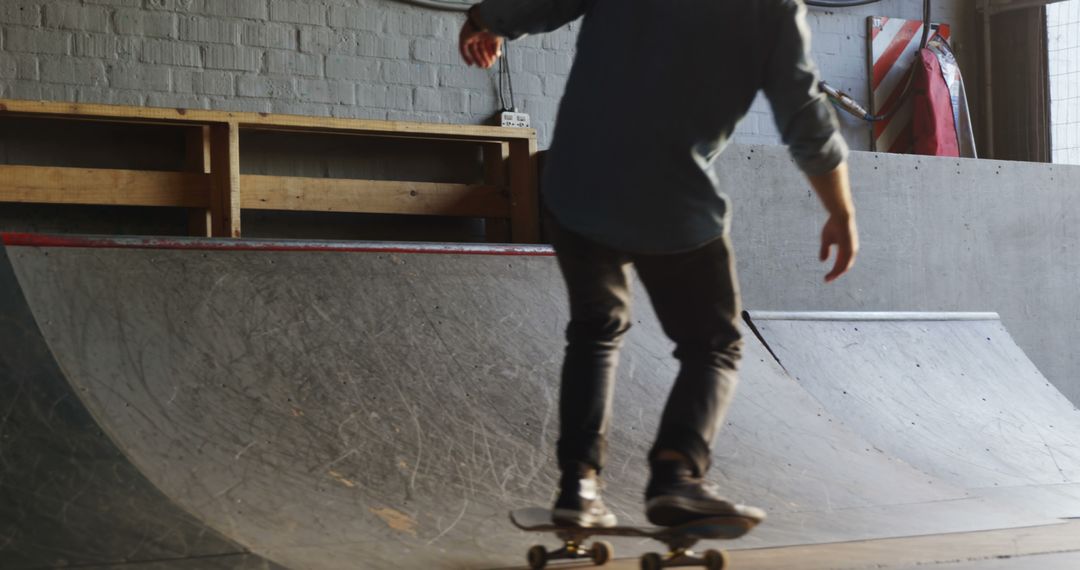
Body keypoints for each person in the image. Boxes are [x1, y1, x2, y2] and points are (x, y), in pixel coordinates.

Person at [459, 0, 859, 528]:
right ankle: (677, 476)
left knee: (595, 331)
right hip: (673, 201)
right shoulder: (773, 9)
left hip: (577, 186)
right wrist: (840, 210)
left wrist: (485, 19)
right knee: (714, 345)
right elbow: (803, 116)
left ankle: (578, 488)